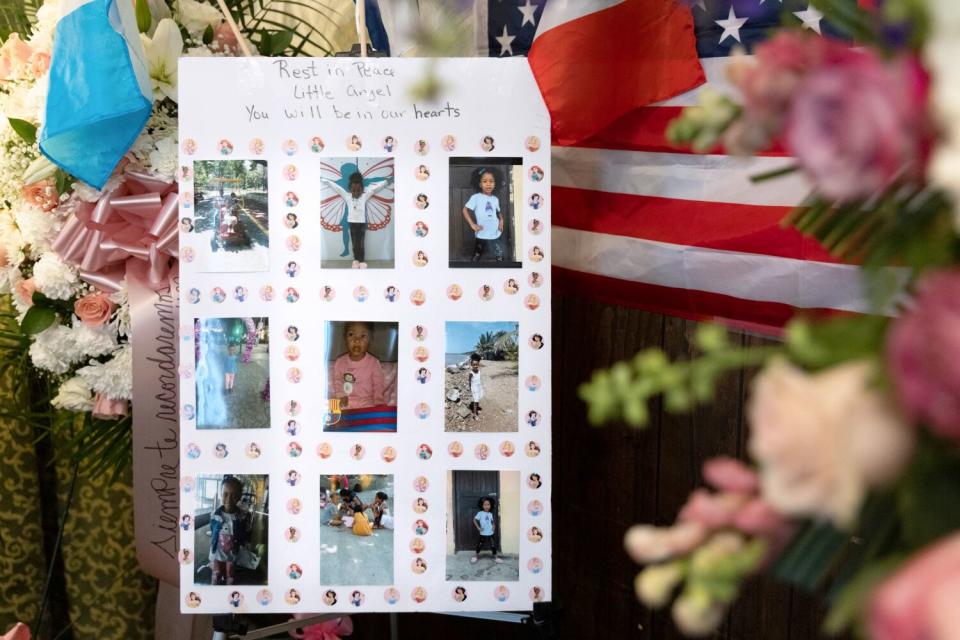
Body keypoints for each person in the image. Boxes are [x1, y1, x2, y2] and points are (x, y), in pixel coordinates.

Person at [320, 171, 393, 268]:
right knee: (354, 243)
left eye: (358, 190)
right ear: (350, 189)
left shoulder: (364, 196)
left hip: (362, 223)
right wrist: (324, 180)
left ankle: (362, 261)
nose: (356, 193)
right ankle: (356, 260)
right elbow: (336, 187)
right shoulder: (347, 196)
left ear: (362, 189)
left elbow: (376, 188)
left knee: (361, 243)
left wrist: (387, 182)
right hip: (352, 223)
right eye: (353, 190)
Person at [331, 322, 385, 409]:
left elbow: (378, 385)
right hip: (346, 399)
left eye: (363, 336)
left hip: (366, 400)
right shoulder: (340, 362)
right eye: (351, 334)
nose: (357, 340)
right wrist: (341, 395)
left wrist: (378, 402)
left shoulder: (374, 363)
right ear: (345, 338)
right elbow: (337, 380)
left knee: (372, 415)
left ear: (370, 339)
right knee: (333, 407)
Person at [209, 476, 251, 585]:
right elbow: (212, 528)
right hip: (217, 551)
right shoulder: (215, 515)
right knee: (216, 573)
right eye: (225, 494)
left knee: (231, 574)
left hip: (233, 552)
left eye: (234, 495)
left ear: (239, 497)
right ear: (220, 494)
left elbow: (245, 533)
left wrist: (245, 544)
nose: (228, 499)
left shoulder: (242, 516)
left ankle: (229, 591)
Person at [462, 169, 504, 262]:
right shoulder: (476, 197)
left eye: (491, 181)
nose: (488, 184)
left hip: (495, 232)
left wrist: (501, 220)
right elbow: (465, 210)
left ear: (495, 183)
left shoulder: (495, 199)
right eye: (485, 181)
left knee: (499, 255)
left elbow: (498, 211)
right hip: (482, 232)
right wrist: (472, 225)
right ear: (480, 184)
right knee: (477, 255)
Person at [471, 497, 503, 565]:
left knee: (493, 545)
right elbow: (474, 520)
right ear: (482, 506)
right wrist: (478, 528)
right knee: (479, 545)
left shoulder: (490, 514)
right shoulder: (480, 513)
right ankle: (475, 556)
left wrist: (494, 526)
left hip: (490, 533)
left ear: (490, 505)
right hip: (483, 533)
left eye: (488, 504)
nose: (486, 506)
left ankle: (496, 557)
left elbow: (492, 522)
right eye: (485, 504)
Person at [468, 353, 483, 422]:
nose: (475, 366)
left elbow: (479, 379)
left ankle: (476, 409)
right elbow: (469, 381)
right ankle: (474, 414)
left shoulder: (479, 371)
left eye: (476, 364)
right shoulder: (471, 373)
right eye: (474, 365)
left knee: (477, 400)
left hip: (478, 387)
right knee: (475, 401)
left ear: (478, 364)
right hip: (474, 388)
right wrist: (470, 388)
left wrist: (480, 386)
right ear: (471, 365)